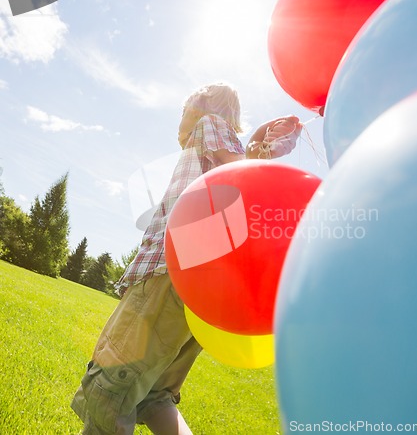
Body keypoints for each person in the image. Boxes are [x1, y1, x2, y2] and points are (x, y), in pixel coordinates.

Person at [71, 82, 302, 434]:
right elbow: (243, 169)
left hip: (169, 270)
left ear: (202, 106)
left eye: (185, 109)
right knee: (156, 396)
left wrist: (260, 146)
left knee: (109, 390)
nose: (181, 118)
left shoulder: (208, 124)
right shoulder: (229, 143)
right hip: (204, 289)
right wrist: (265, 141)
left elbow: (237, 168)